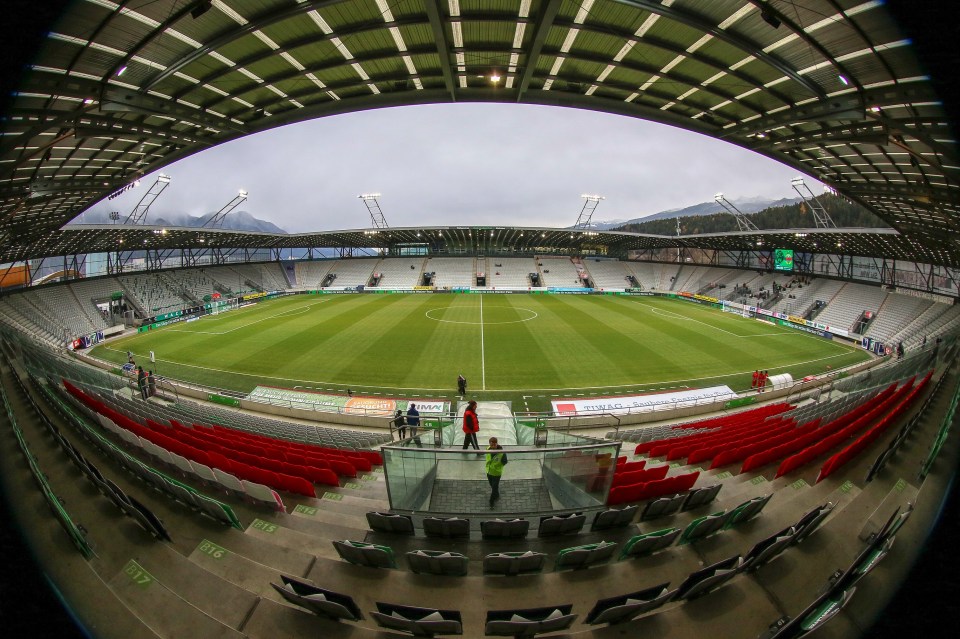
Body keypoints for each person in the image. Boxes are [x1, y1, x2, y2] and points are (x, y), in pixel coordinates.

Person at [485, 437, 507, 507]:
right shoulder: (487, 449)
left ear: (497, 444)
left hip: (496, 473)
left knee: (494, 488)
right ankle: (497, 495)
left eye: (494, 444)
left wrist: (498, 466)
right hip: (489, 472)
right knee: (493, 486)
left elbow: (505, 461)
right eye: (491, 444)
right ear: (489, 444)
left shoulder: (501, 453)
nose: (493, 446)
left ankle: (491, 501)